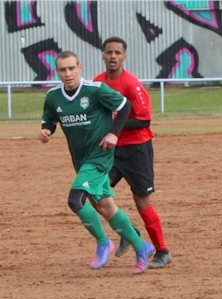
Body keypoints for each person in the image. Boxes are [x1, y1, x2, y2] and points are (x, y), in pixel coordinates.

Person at [39, 51, 155, 274]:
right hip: (81, 160)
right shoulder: (54, 96)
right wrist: (46, 130)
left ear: (80, 68)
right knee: (105, 206)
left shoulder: (95, 90)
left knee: (75, 200)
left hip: (99, 156)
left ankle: (104, 242)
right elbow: (49, 118)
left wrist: (113, 133)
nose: (68, 73)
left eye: (72, 68)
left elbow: (124, 107)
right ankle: (142, 247)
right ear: (58, 72)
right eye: (63, 70)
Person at [94, 36, 172, 269]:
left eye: (118, 53)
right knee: (96, 192)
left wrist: (113, 129)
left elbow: (143, 120)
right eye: (109, 52)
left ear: (124, 56)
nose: (113, 57)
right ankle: (129, 231)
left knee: (142, 202)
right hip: (112, 151)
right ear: (103, 55)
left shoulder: (131, 84)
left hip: (137, 150)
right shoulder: (98, 83)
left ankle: (162, 251)